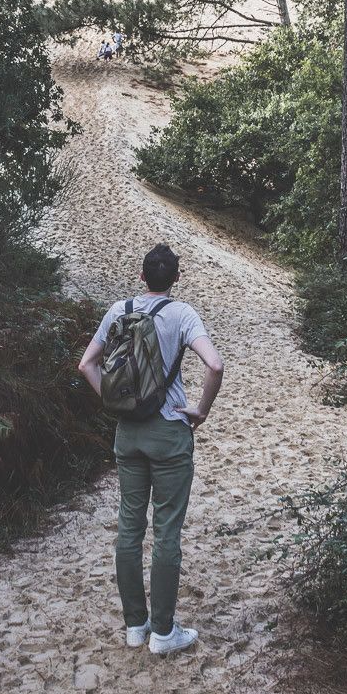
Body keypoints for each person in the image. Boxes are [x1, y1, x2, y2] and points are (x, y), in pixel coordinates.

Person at [77, 244, 224, 655]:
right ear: (176, 278)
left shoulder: (118, 310)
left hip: (128, 433)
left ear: (141, 278)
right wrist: (200, 410)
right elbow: (215, 366)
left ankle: (135, 626)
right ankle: (163, 633)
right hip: (169, 432)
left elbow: (86, 364)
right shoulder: (182, 314)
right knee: (166, 531)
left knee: (129, 527)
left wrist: (114, 403)